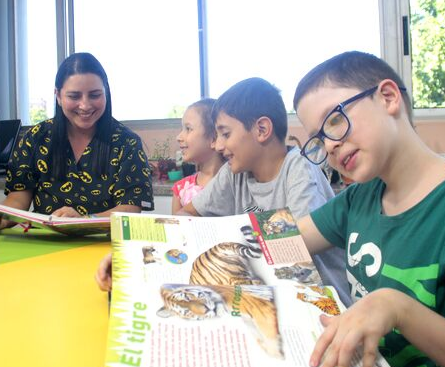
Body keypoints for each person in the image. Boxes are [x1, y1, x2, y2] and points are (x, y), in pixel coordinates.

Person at [292, 51, 445, 367]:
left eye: (334, 120)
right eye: (318, 141)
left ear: (388, 97)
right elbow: (287, 239)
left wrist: (398, 309)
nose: (330, 146)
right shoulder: (359, 197)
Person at [96, 77, 348, 304]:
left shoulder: (299, 169)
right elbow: (188, 214)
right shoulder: (234, 173)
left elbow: (296, 247)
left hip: (318, 302)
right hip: (266, 294)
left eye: (225, 134)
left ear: (261, 130)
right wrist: (131, 252)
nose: (218, 144)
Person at [0, 52, 153, 229]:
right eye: (74, 96)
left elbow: (130, 209)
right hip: (44, 246)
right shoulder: (36, 138)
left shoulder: (127, 143)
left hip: (102, 248)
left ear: (106, 93)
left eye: (94, 95)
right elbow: (18, 199)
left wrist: (82, 221)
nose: (85, 105)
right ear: (58, 95)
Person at [171, 98, 225, 214]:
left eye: (188, 129)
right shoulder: (180, 189)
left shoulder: (236, 185)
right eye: (182, 129)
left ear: (214, 138)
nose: (179, 137)